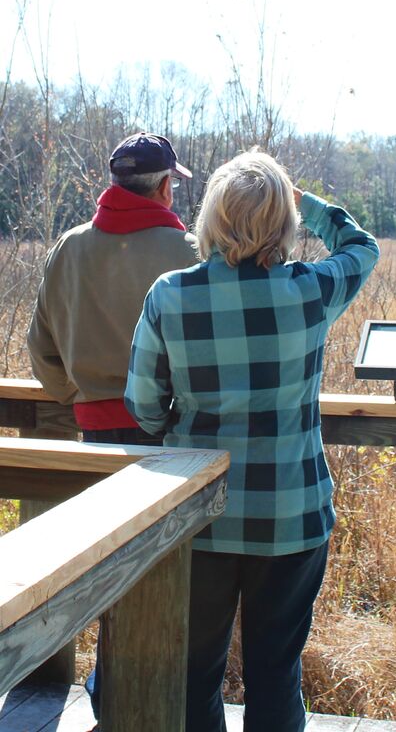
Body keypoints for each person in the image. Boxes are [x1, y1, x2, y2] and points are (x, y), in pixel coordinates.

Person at [124, 149, 379, 732]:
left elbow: (140, 408)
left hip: (196, 513)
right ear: (284, 225)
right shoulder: (310, 290)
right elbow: (362, 248)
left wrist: (182, 427)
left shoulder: (170, 294)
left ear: (210, 218)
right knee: (276, 672)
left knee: (192, 674)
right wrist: (305, 204)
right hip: (291, 512)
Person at [27, 132, 198, 444]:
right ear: (163, 187)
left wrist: (80, 396)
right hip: (175, 427)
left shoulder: (68, 247)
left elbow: (41, 347)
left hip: (95, 428)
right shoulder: (191, 253)